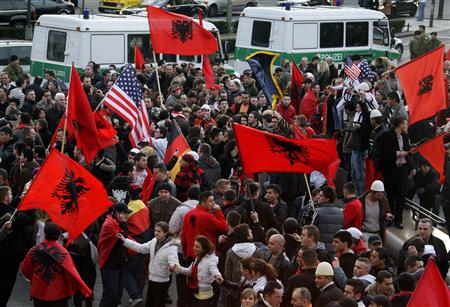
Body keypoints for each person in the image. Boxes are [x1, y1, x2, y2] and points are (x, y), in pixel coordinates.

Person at [21, 222, 92, 307]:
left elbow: (25, 270)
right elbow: (72, 273)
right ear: (58, 235)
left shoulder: (34, 250)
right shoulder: (63, 252)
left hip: (39, 292)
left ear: (45, 233)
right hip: (58, 294)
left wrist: (36, 278)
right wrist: (86, 290)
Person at [119, 221, 179, 307]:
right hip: (152, 279)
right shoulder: (154, 241)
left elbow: (174, 261)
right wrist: (125, 241)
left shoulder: (171, 247)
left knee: (158, 304)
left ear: (165, 233)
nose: (156, 233)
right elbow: (141, 248)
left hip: (161, 282)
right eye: (155, 230)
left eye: (159, 231)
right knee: (150, 303)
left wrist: (174, 266)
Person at [376, 116, 414, 229]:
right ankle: (390, 217)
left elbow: (407, 151)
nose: (406, 126)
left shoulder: (405, 136)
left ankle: (399, 220)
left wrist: (411, 164)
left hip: (403, 169)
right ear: (400, 124)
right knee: (391, 195)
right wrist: (398, 153)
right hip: (391, 169)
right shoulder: (387, 135)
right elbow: (383, 151)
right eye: (405, 124)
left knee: (401, 195)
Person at [0, 186, 35, 306]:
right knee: (7, 283)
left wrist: (19, 198)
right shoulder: (13, 215)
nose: (11, 196)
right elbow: (28, 219)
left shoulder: (5, 208)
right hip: (10, 256)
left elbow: (10, 204)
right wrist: (30, 204)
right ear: (5, 197)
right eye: (10, 194)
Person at [97, 202, 131, 307]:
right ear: (118, 213)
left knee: (117, 295)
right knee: (109, 295)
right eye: (125, 213)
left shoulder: (117, 222)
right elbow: (122, 237)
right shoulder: (109, 224)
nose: (127, 216)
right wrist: (124, 224)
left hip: (119, 263)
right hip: (109, 265)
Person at [175, 235, 223, 306]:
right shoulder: (198, 257)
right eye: (194, 245)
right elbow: (190, 271)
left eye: (197, 247)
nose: (193, 248)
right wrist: (178, 268)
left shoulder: (210, 260)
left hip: (205, 299)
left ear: (204, 249)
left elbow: (214, 270)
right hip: (196, 295)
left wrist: (218, 276)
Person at [181, 191, 228, 260]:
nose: (213, 203)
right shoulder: (207, 217)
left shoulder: (188, 214)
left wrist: (185, 252)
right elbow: (223, 228)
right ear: (203, 203)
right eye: (210, 201)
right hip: (205, 255)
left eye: (213, 201)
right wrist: (218, 211)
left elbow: (183, 236)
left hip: (191, 254)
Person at [312, 186, 344, 254]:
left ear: (327, 199)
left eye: (321, 196)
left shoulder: (317, 212)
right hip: (334, 250)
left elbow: (311, 230)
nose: (318, 197)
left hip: (319, 249)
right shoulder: (340, 213)